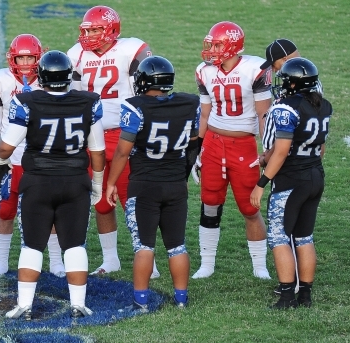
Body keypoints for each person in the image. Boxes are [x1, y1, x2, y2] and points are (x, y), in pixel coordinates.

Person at [0, 51, 105, 319]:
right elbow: (98, 152)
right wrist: (99, 183)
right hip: (75, 182)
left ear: (41, 76)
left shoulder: (26, 101)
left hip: (38, 183)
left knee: (32, 245)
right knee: (75, 245)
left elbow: (4, 150)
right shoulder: (88, 101)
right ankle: (78, 304)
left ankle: (25, 304)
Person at [67, 5, 159, 277]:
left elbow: (145, 92)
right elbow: (72, 98)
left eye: (96, 29)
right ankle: (111, 259)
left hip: (125, 133)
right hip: (92, 135)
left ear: (111, 29)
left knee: (134, 197)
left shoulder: (132, 50)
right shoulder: (76, 54)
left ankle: (147, 259)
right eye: (88, 29)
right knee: (101, 200)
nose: (90, 35)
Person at [107, 56, 198, 310]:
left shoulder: (135, 107)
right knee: (177, 244)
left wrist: (112, 182)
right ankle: (181, 299)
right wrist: (183, 174)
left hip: (144, 184)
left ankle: (141, 300)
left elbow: (123, 151)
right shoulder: (189, 103)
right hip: (175, 184)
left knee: (144, 245)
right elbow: (193, 144)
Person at [192, 21, 272, 279]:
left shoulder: (255, 68)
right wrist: (197, 149)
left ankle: (260, 266)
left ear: (232, 46)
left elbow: (263, 115)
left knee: (250, 208)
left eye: (217, 45)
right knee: (210, 204)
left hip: (244, 145)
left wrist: (268, 150)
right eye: (211, 44)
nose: (212, 50)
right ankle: (207, 264)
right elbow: (204, 114)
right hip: (214, 143)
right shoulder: (204, 71)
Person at [250, 58, 331, 309]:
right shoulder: (322, 105)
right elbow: (319, 148)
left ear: (294, 83)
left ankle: (287, 297)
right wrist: (268, 154)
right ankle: (305, 295)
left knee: (279, 237)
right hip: (315, 175)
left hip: (291, 180)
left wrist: (262, 182)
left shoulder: (285, 108)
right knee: (304, 236)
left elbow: (284, 150)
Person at [0, 34, 65, 277]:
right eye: (22, 57)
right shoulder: (0, 80)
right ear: (13, 58)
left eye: (31, 57)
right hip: (12, 159)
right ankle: (1, 261)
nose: (26, 62)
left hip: (42, 158)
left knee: (48, 211)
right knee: (6, 210)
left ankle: (56, 261)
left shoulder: (50, 79)